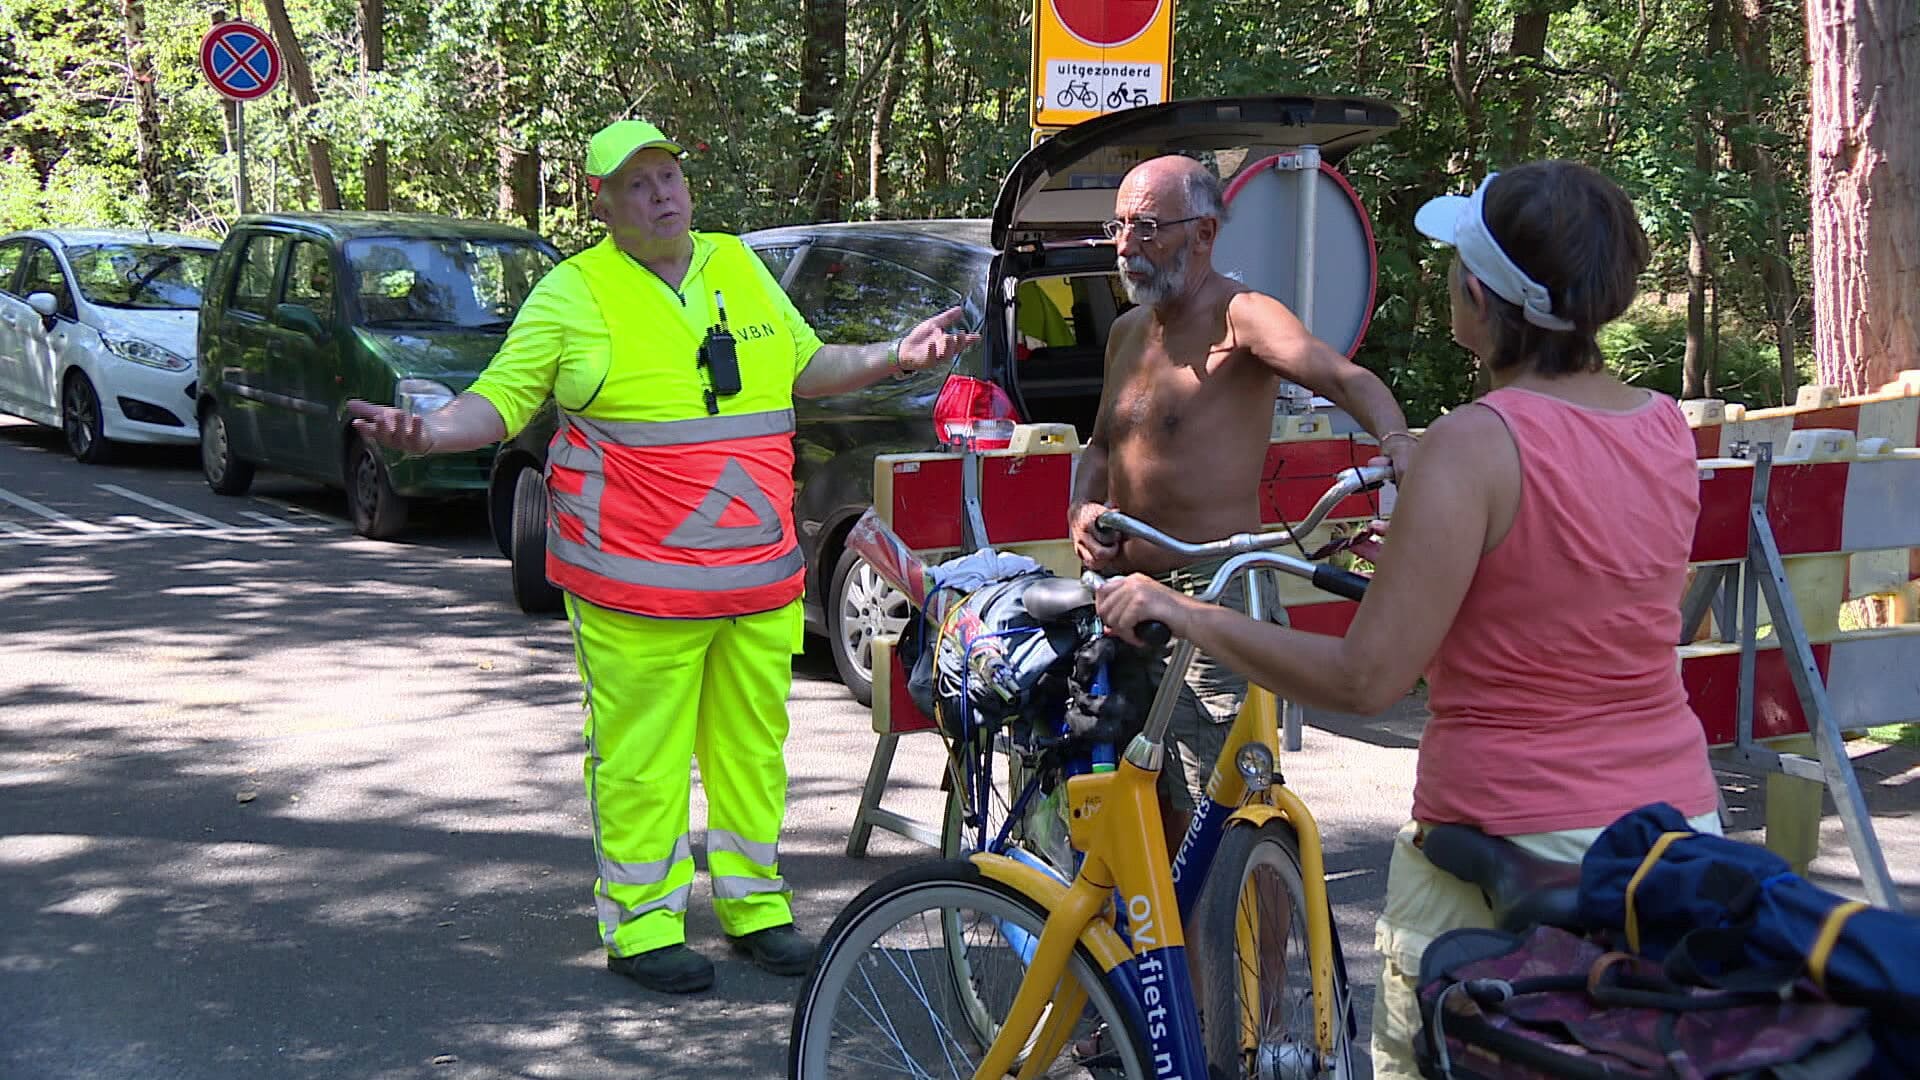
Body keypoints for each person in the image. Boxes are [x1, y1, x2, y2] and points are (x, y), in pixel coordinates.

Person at [1092, 159, 1723, 1077]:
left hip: (1502, 848)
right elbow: (1571, 595)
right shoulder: (1665, 426)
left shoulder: (1474, 443)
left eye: (1457, 261)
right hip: (1670, 829)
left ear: (1485, 293)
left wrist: (1179, 608)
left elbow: (1365, 678)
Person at [345, 118, 978, 996]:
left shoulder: (736, 265)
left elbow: (803, 367)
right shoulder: (574, 293)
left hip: (758, 577)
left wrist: (893, 356)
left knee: (754, 750)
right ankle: (642, 925)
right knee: (641, 757)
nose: (663, 193)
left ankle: (756, 908)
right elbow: (499, 400)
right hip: (634, 587)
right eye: (638, 183)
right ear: (601, 201)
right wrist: (430, 430)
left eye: (671, 174)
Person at [1066, 154, 1416, 850]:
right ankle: (1165, 956)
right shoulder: (1126, 334)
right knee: (1142, 802)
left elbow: (1346, 379)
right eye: (1120, 227)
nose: (1125, 246)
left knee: (1230, 815)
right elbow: (1101, 447)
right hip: (1123, 594)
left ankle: (1253, 958)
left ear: (1203, 232)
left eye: (1147, 228)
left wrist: (1399, 442)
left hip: (1214, 597)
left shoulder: (1243, 316)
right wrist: (1081, 509)